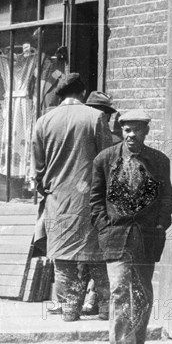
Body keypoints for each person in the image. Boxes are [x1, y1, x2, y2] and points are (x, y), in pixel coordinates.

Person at [91, 110, 172, 344]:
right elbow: (95, 199)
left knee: (142, 292)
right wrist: (104, 227)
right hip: (116, 235)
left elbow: (166, 198)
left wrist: (160, 225)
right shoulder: (104, 159)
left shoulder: (158, 161)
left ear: (146, 132)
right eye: (127, 130)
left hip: (146, 237)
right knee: (119, 289)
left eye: (137, 130)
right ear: (121, 131)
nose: (131, 135)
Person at [32, 73, 112, 321]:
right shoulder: (96, 117)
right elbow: (108, 160)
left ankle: (69, 310)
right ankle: (106, 309)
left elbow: (38, 168)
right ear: (81, 92)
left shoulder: (44, 121)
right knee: (98, 255)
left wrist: (44, 186)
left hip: (59, 200)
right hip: (91, 199)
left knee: (64, 256)